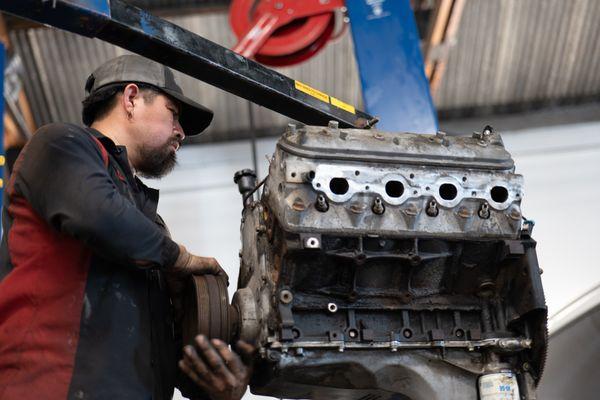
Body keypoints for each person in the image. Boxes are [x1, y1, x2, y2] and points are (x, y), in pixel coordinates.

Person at [0, 55, 252, 399]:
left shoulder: (149, 228)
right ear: (131, 98)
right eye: (174, 114)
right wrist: (180, 258)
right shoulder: (60, 144)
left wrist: (220, 387)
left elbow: (168, 353)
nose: (180, 132)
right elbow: (97, 213)